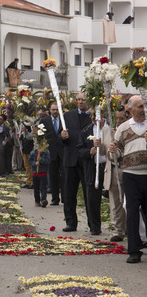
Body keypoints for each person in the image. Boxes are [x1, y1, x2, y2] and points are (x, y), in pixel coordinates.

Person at [108, 95, 147, 263]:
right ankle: (134, 250)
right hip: (131, 176)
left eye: (144, 106)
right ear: (130, 110)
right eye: (139, 106)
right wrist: (112, 150)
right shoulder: (123, 128)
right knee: (132, 212)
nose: (143, 109)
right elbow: (116, 156)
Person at [61, 93, 91, 232]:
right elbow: (60, 136)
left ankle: (93, 224)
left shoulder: (95, 116)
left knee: (89, 194)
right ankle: (71, 222)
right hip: (70, 158)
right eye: (78, 100)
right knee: (68, 193)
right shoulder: (67, 116)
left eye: (83, 100)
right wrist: (63, 137)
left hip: (87, 159)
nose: (80, 102)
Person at [77, 108, 107, 235]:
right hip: (93, 167)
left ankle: (121, 227)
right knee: (92, 199)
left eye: (96, 114)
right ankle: (94, 226)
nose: (94, 117)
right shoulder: (86, 131)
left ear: (103, 114)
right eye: (92, 115)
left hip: (107, 166)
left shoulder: (109, 128)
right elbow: (79, 150)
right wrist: (89, 151)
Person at [103, 107, 127, 242]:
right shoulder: (107, 131)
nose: (118, 121)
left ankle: (131, 227)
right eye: (116, 118)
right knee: (115, 203)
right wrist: (99, 146)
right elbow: (103, 152)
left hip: (126, 169)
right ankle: (117, 230)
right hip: (112, 170)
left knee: (129, 202)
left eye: (121, 118)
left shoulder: (127, 129)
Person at [40, 102, 64, 205]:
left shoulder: (64, 120)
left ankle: (65, 198)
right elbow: (40, 136)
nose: (55, 111)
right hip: (51, 152)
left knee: (64, 176)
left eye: (57, 109)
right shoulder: (44, 121)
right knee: (53, 176)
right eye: (53, 110)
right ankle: (55, 199)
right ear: (49, 110)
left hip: (63, 152)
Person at [20, 124, 34, 189]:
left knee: (30, 166)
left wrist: (26, 131)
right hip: (25, 149)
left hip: (30, 149)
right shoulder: (23, 128)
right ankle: (28, 181)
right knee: (27, 166)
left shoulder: (30, 126)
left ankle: (32, 181)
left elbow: (31, 137)